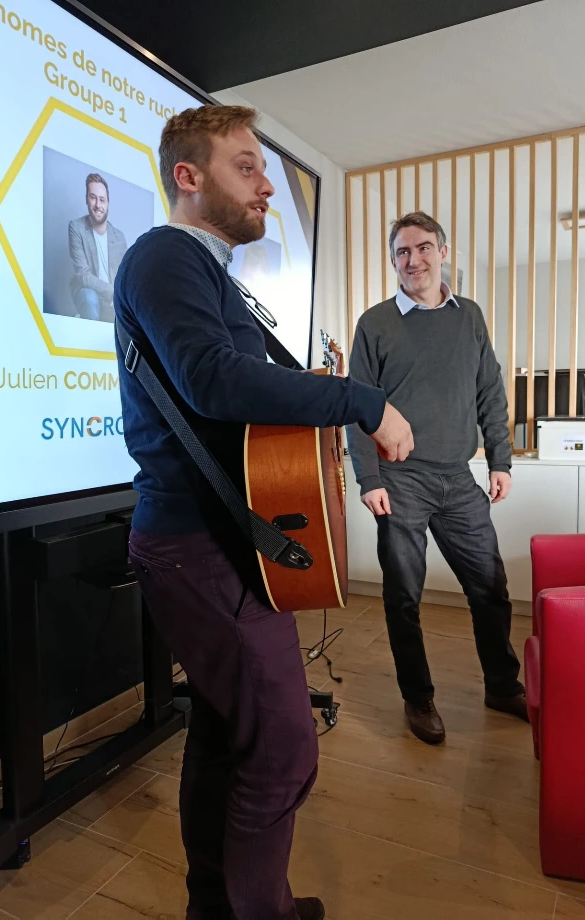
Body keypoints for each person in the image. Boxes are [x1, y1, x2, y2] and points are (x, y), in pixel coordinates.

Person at [113, 105, 413, 920]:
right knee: (283, 752)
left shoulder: (202, 270)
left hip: (221, 541)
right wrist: (360, 400)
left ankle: (218, 906)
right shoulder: (165, 256)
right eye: (246, 165)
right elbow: (214, 381)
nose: (267, 186)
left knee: (228, 735)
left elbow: (238, 402)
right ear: (189, 175)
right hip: (200, 543)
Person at [347, 211, 528, 747]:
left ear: (443, 253)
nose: (413, 261)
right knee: (404, 595)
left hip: (458, 476)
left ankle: (502, 685)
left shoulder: (469, 317)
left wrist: (500, 459)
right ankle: (418, 698)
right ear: (394, 261)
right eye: (402, 252)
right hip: (400, 480)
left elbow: (489, 392)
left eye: (423, 248)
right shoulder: (375, 323)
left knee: (491, 589)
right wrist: (368, 478)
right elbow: (360, 406)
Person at [69, 173, 127, 322]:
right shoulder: (76, 228)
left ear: (108, 203)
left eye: (102, 200)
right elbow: (82, 275)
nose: (98, 205)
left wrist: (119, 297)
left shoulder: (119, 237)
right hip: (89, 292)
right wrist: (111, 292)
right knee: (89, 297)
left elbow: (124, 278)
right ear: (86, 199)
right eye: (93, 197)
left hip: (112, 301)